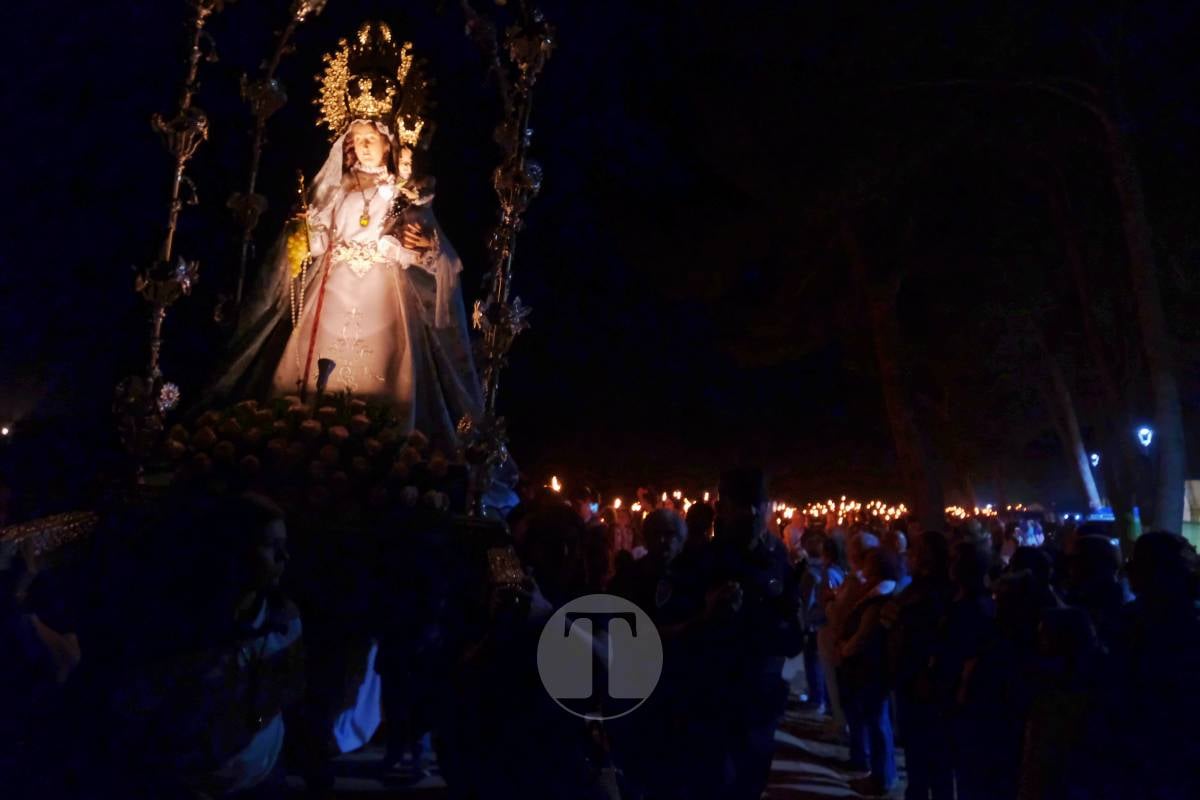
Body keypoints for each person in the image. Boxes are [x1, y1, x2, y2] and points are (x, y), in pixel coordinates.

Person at [210, 26, 482, 455]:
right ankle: (305, 436)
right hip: (331, 286)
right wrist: (303, 234)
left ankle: (380, 441)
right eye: (357, 141)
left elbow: (430, 249)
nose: (364, 148)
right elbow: (318, 242)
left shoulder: (402, 191)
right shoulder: (334, 192)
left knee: (386, 368)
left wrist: (422, 245)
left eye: (372, 140)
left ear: (389, 142)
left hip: (383, 290)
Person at [839, 549, 902, 796]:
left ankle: (881, 777)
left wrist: (846, 648)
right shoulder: (880, 592)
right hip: (870, 668)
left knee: (877, 722)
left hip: (871, 668)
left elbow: (865, 633)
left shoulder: (880, 597)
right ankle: (881, 773)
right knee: (877, 720)